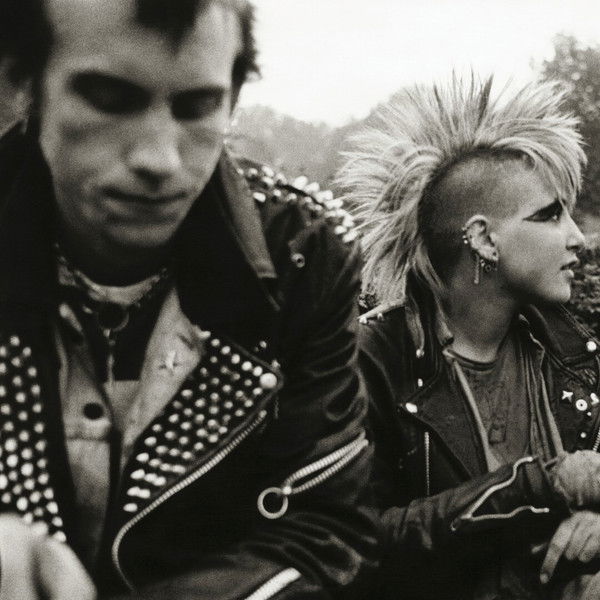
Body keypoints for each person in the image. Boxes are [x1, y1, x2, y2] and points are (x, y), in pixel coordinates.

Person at [0, 0, 377, 598]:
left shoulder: (304, 256)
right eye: (109, 99)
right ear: (24, 82)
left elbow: (323, 530)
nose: (159, 158)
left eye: (197, 107)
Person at [338, 75, 600, 599]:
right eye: (550, 215)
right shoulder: (368, 362)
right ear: (483, 239)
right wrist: (541, 485)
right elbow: (350, 544)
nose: (578, 238)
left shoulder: (570, 349)